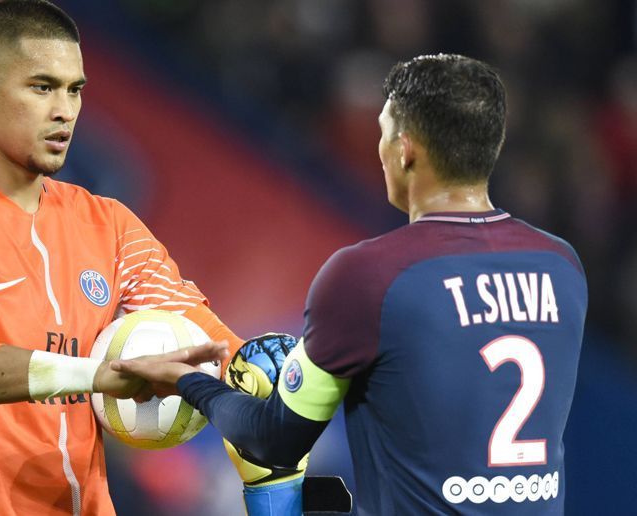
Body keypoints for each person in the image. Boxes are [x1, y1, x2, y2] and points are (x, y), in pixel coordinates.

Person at [114, 54, 588, 515]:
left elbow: (274, 440)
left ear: (404, 149)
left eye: (382, 134)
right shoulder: (563, 267)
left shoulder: (372, 276)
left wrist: (187, 381)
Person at [0, 1, 239, 514]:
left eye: (75, 90)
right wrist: (89, 374)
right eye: (42, 87)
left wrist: (296, 376)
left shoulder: (108, 224)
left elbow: (213, 342)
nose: (64, 110)